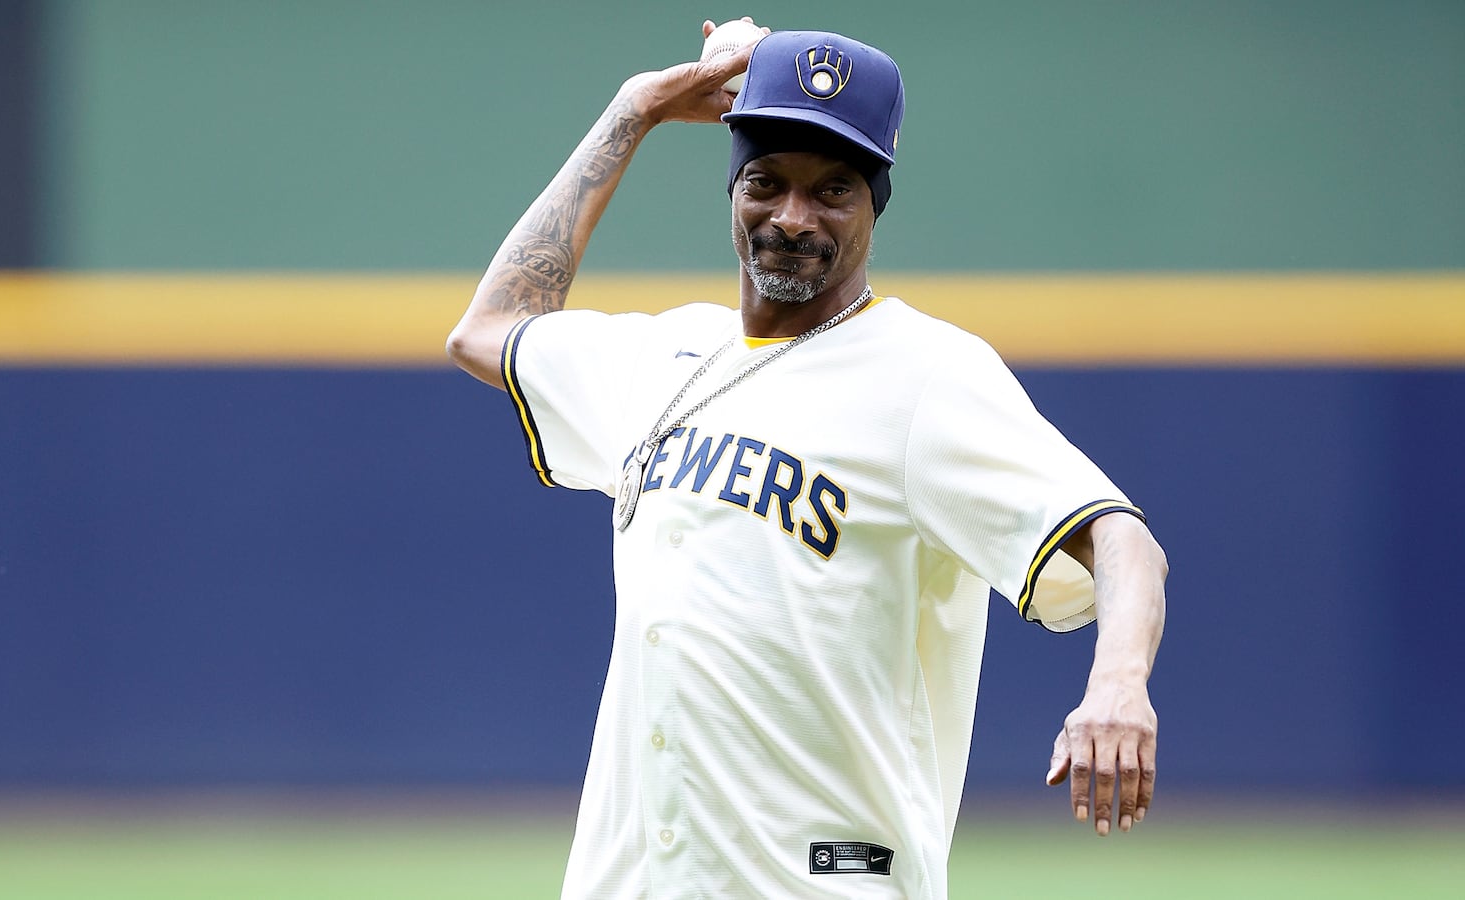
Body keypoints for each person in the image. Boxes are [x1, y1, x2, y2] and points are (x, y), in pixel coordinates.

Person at [447, 19, 1166, 900]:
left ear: (875, 205)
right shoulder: (664, 359)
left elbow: (1123, 541)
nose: (793, 216)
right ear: (733, 189)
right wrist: (633, 111)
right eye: (767, 181)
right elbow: (487, 330)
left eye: (833, 189)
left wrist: (1119, 686)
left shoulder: (927, 377)